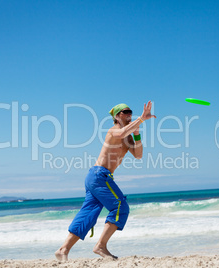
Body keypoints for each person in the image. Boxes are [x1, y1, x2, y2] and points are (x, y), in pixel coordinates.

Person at [55, 101, 156, 261]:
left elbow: (138, 154)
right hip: (99, 175)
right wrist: (142, 119)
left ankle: (63, 249)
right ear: (117, 116)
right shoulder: (113, 131)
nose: (129, 114)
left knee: (88, 214)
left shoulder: (127, 136)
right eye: (125, 111)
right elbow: (122, 133)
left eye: (130, 111)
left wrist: (137, 133)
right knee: (120, 206)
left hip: (95, 177)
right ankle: (100, 246)